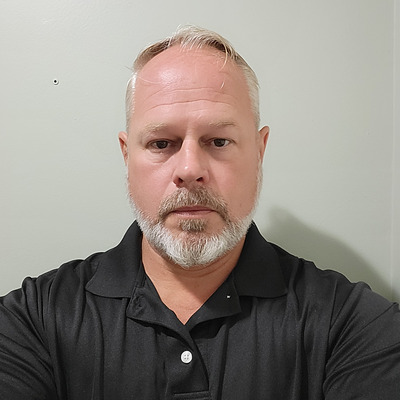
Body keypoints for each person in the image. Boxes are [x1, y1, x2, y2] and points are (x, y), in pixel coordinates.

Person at [0, 26, 399, 400]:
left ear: (259, 151)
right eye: (161, 143)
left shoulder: (352, 324)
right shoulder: (32, 321)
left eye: (219, 141)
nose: (190, 169)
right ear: (126, 155)